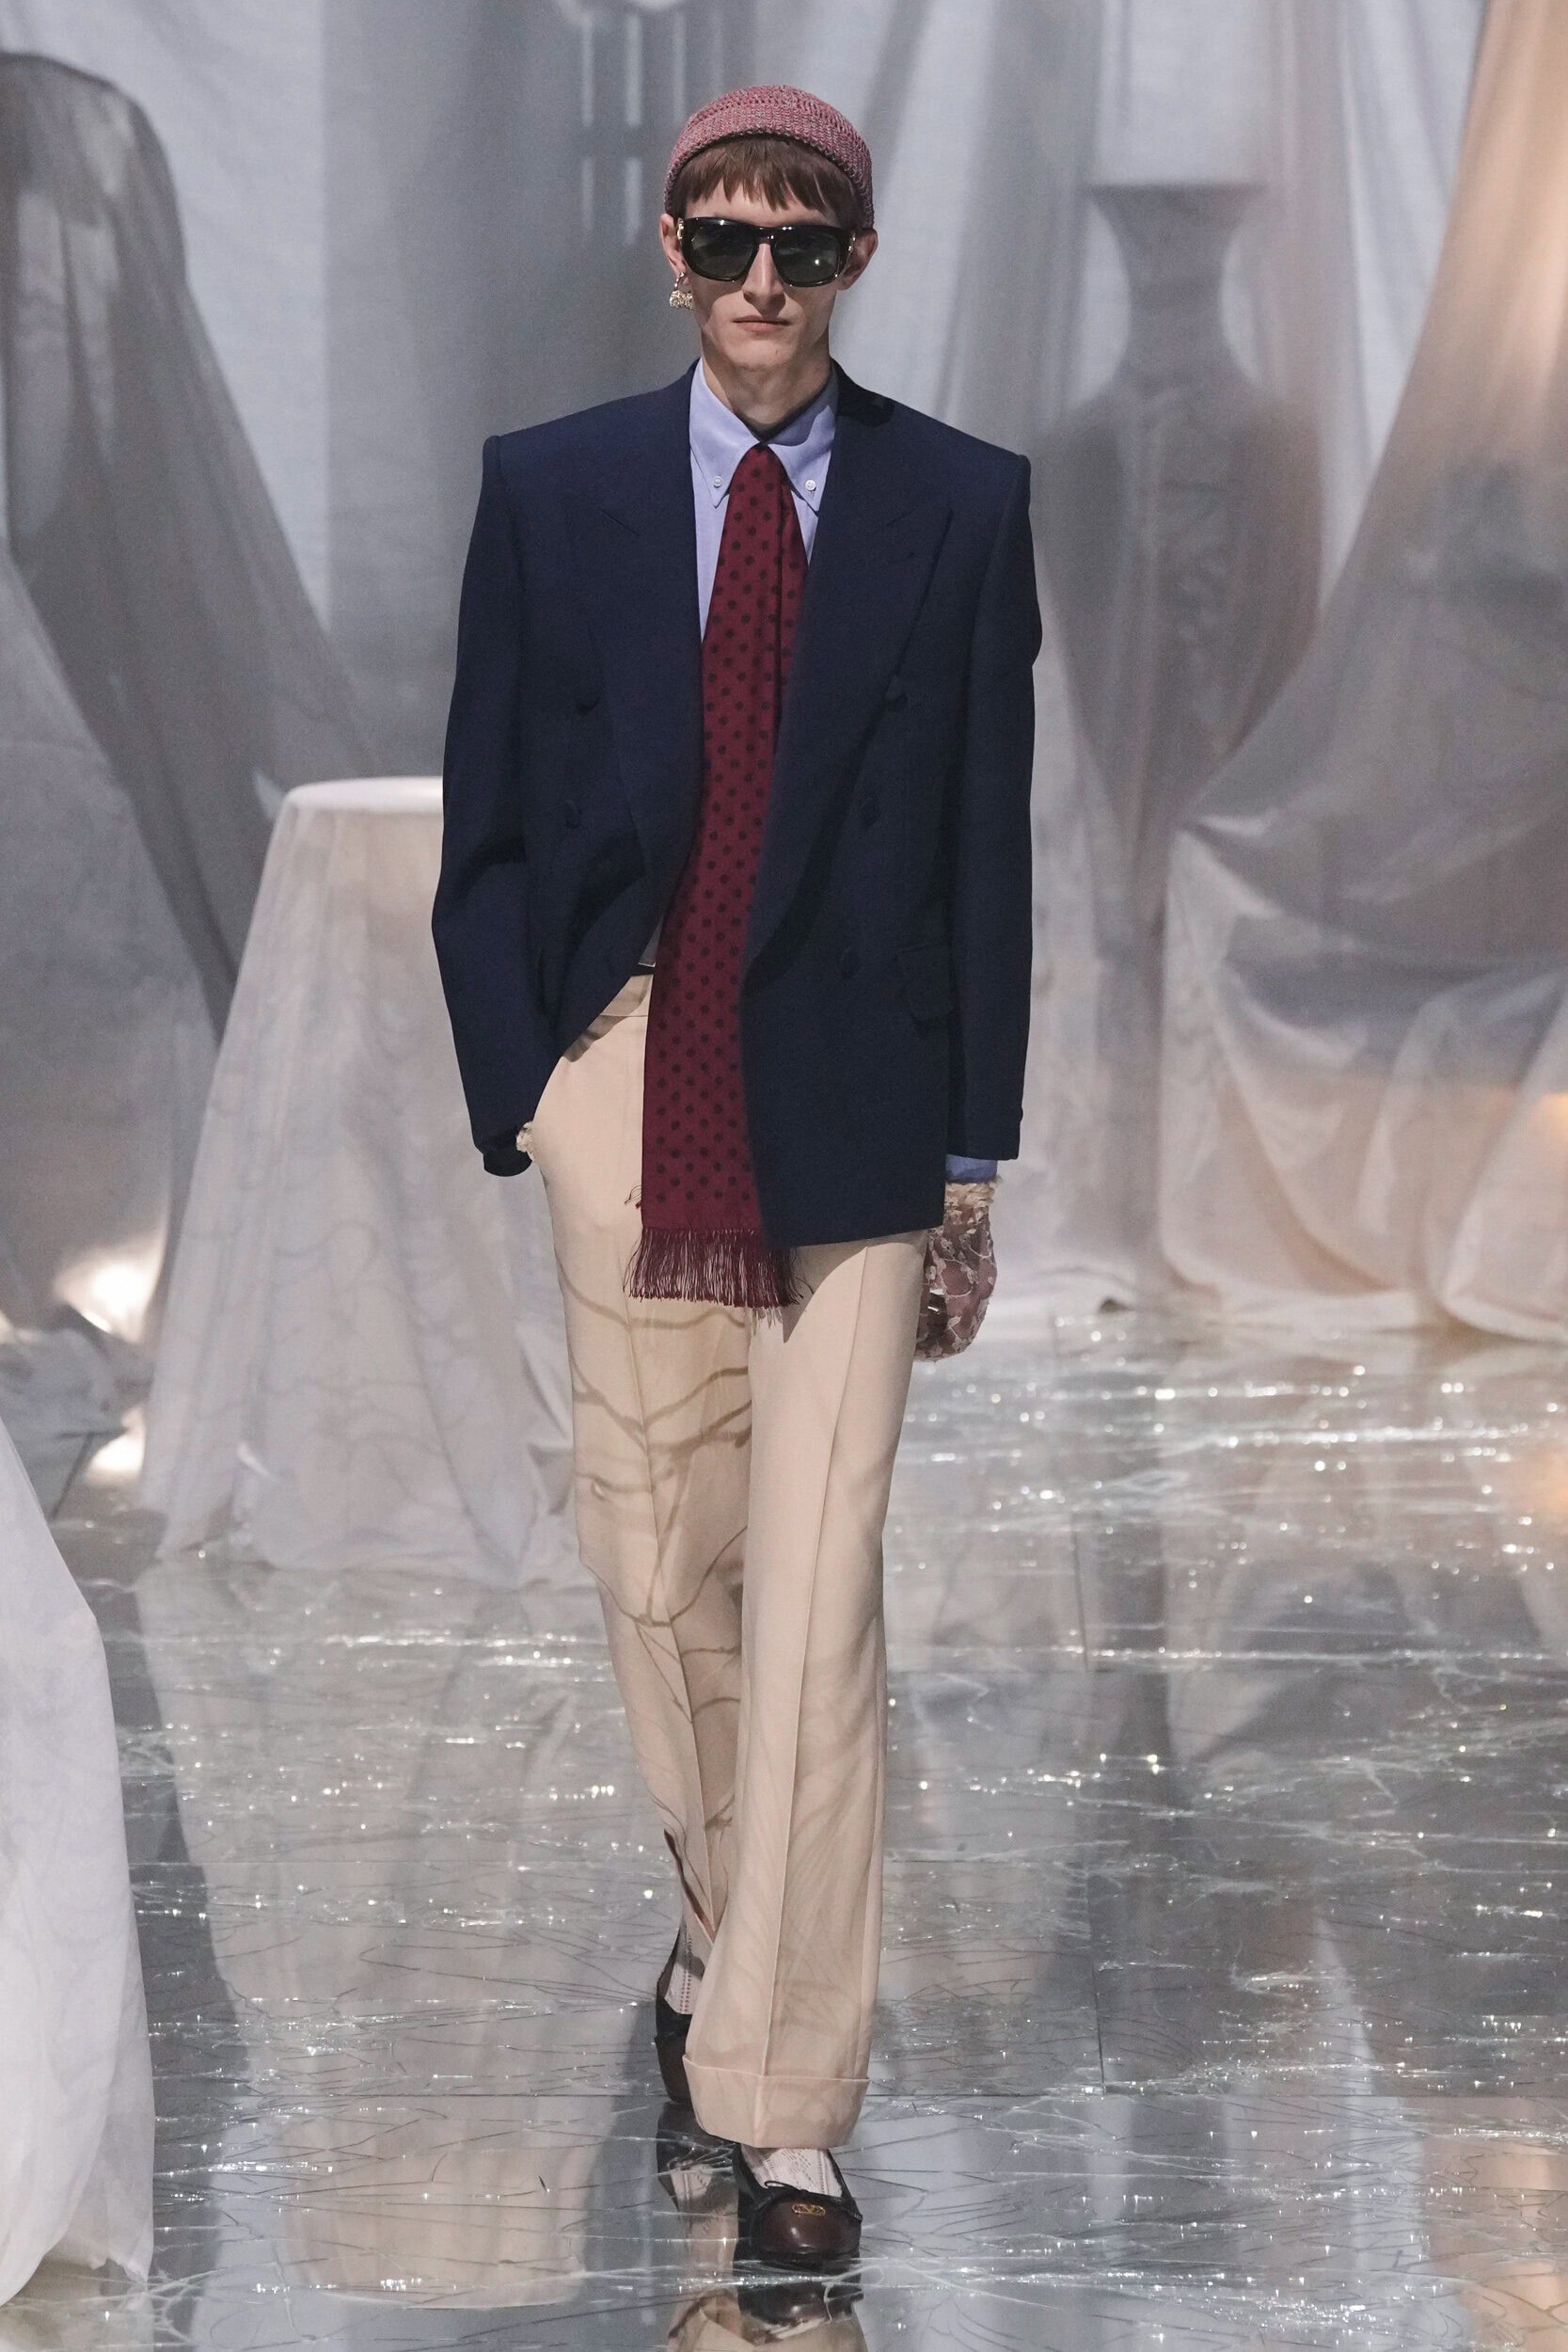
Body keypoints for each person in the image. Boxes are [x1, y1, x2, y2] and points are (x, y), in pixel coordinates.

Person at [434, 83, 1039, 2272]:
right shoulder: (557, 487)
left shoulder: (961, 501)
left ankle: (787, 2100)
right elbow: (492, 809)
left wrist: (972, 1157)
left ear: (856, 259)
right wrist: (529, 1078)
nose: (762, 281)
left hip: (858, 1100)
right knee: (655, 1554)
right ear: (674, 253)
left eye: (802, 243)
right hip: (626, 1074)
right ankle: (722, 1918)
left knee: (817, 1593)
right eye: (724, 240)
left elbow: (985, 837)